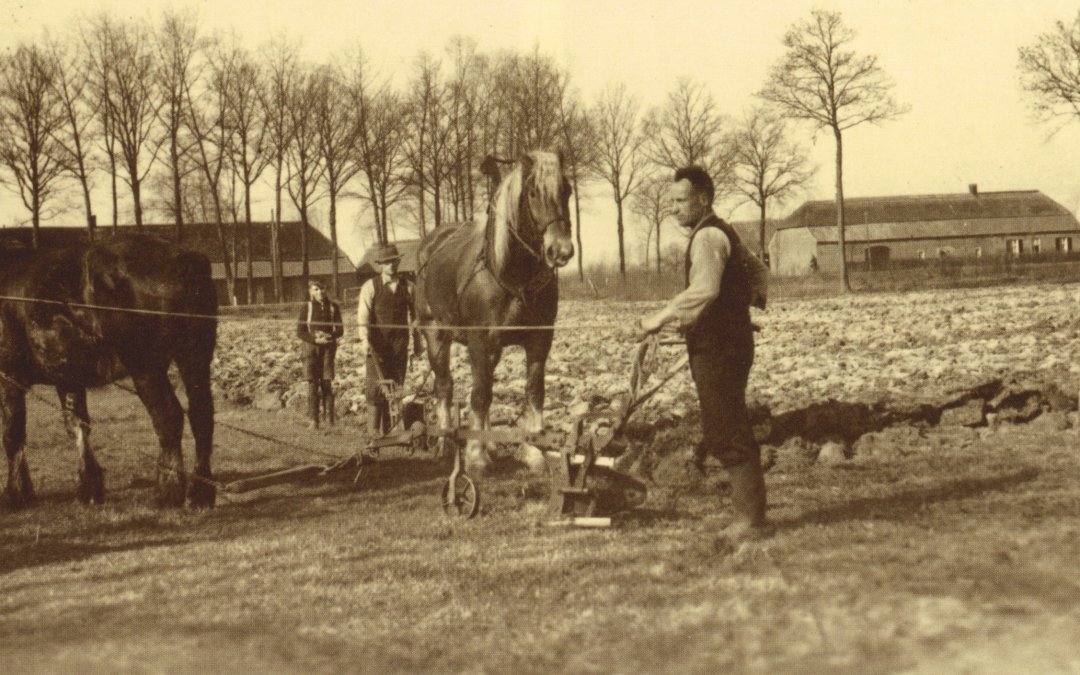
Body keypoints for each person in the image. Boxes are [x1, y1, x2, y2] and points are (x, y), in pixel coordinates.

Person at [639, 165, 769, 542]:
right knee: (727, 424)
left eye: (681, 201)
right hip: (726, 341)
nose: (674, 209)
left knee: (725, 428)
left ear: (703, 199)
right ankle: (753, 515)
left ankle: (751, 520)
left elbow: (706, 289)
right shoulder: (722, 230)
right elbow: (757, 270)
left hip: (720, 349)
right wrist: (744, 308)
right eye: (672, 202)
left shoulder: (707, 237)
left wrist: (659, 319)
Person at [357, 243, 420, 438]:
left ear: (398, 261)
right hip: (377, 344)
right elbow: (363, 317)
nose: (391, 266)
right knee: (376, 387)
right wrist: (364, 340)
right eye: (386, 263)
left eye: (394, 261)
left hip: (400, 344)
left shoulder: (409, 287)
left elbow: (416, 317)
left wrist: (418, 342)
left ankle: (396, 430)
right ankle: (374, 431)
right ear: (379, 265)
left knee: (397, 385)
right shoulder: (370, 287)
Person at [296, 279, 344, 429]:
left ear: (326, 290)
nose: (320, 293)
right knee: (312, 383)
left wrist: (330, 336)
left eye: (322, 289)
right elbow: (300, 331)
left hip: (328, 349)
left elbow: (340, 329)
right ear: (311, 292)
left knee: (327, 382)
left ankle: (329, 420)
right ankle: (314, 420)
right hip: (311, 349)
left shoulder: (333, 307)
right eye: (316, 289)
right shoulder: (307, 307)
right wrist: (315, 339)